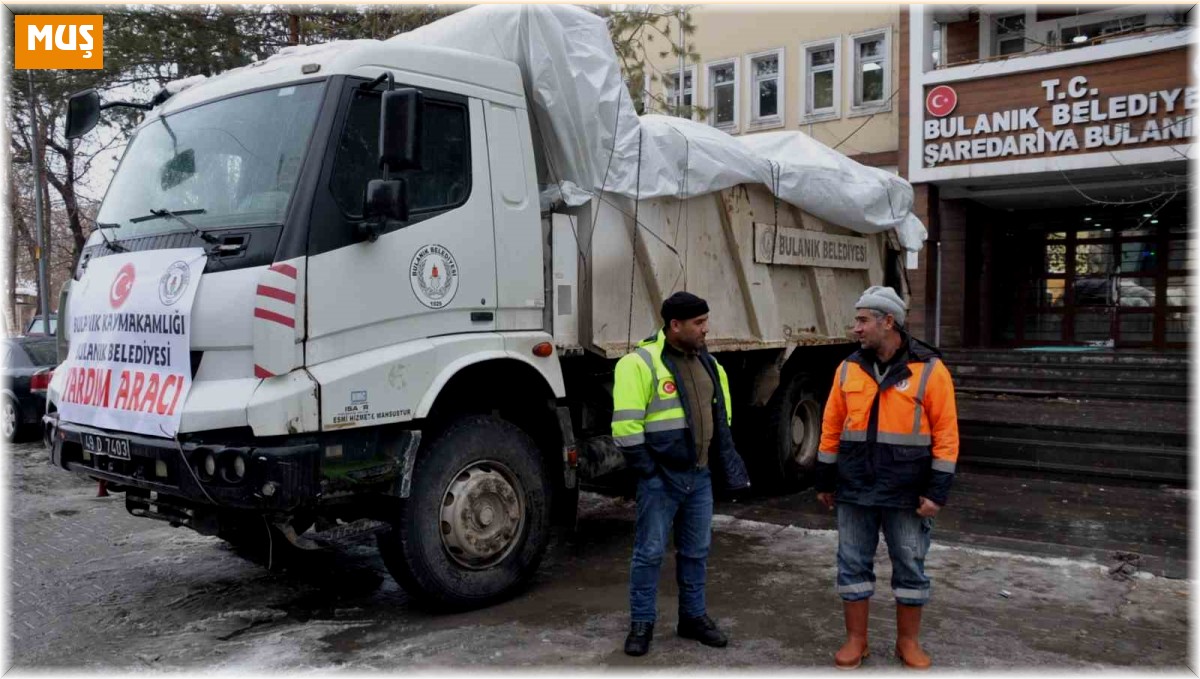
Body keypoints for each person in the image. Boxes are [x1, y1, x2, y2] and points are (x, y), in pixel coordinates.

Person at [816, 286, 959, 670]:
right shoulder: (848, 368)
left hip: (907, 492)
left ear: (888, 321)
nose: (856, 328)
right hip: (855, 488)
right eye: (856, 320)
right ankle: (856, 640)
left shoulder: (929, 369)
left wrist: (937, 491)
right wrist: (825, 482)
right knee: (851, 563)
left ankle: (907, 642)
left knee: (910, 565)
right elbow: (831, 427)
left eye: (863, 320)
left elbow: (946, 434)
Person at [611, 291, 751, 657]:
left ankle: (692, 618)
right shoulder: (638, 363)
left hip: (699, 476)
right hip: (662, 479)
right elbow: (626, 429)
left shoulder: (709, 364)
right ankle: (642, 624)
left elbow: (722, 418)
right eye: (699, 323)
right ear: (675, 326)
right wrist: (651, 474)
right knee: (649, 553)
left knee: (696, 552)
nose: (706, 329)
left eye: (706, 321)